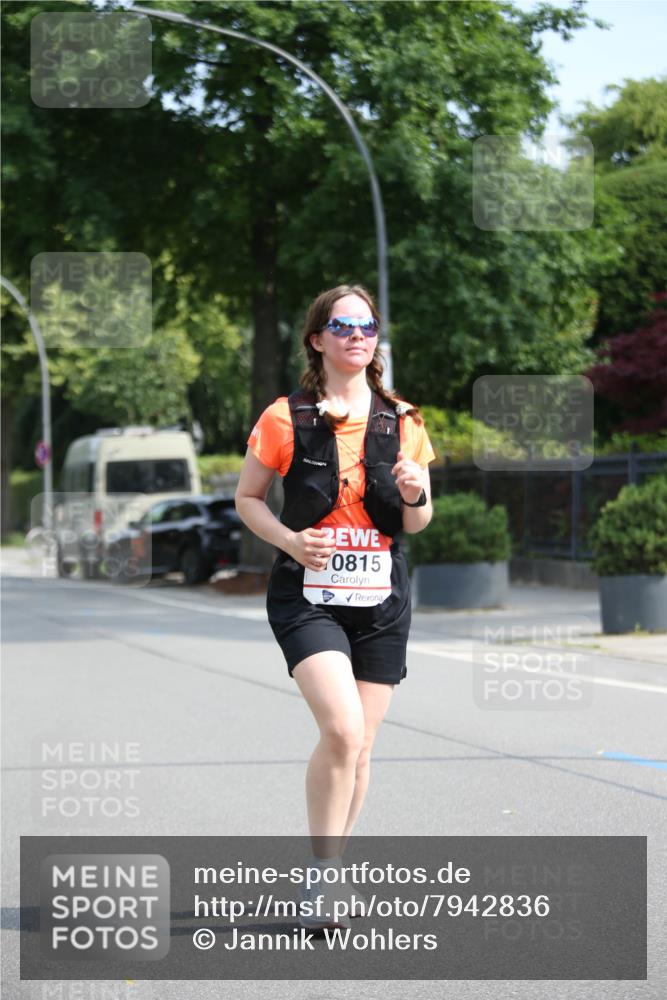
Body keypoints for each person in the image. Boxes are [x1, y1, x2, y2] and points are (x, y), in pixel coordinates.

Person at [234, 284, 436, 929]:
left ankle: (329, 871)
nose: (357, 335)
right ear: (317, 339)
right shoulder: (284, 417)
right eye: (343, 325)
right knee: (343, 731)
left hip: (381, 596)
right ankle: (322, 879)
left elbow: (418, 521)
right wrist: (291, 540)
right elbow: (248, 499)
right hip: (308, 594)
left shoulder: (403, 419)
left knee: (363, 747)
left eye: (367, 326)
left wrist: (416, 492)